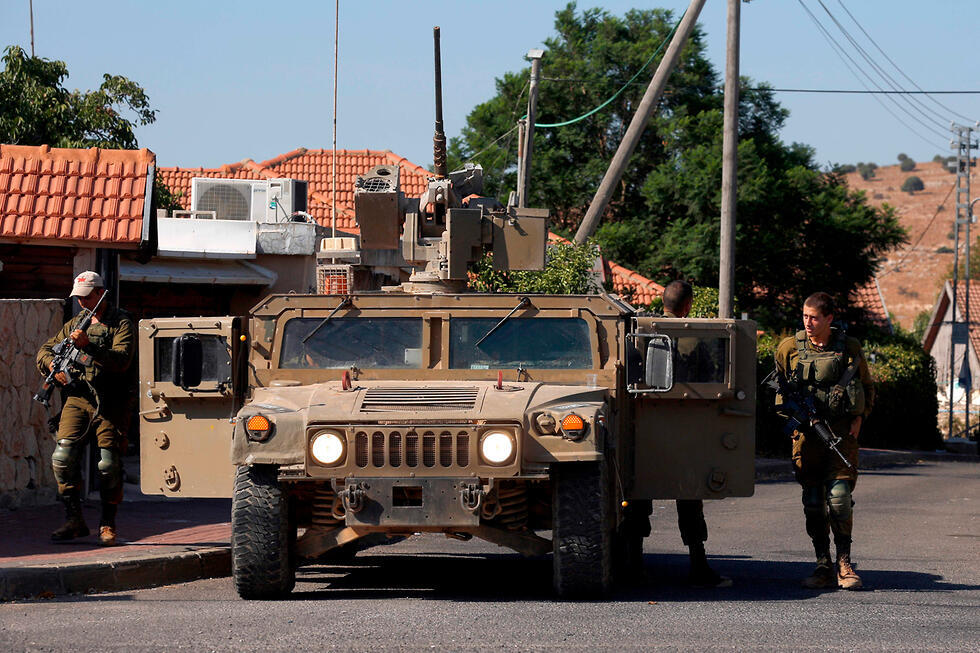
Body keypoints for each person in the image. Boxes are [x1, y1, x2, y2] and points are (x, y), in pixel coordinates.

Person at [774, 292, 874, 590]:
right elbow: (780, 387)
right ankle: (822, 564)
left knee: (840, 500)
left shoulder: (849, 348)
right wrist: (793, 418)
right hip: (806, 439)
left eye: (814, 317)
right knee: (814, 504)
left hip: (841, 437)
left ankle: (844, 562)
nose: (808, 322)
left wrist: (860, 418)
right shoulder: (789, 348)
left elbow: (867, 388)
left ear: (829, 318)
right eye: (804, 316)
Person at [36, 271, 136, 546]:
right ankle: (73, 519)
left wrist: (89, 347)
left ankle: (107, 522)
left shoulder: (121, 322)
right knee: (63, 457)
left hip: (110, 401)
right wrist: (52, 369)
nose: (81, 302)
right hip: (78, 398)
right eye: (78, 298)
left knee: (108, 464)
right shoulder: (76, 323)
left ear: (100, 294)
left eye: (86, 297)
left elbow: (121, 361)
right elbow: (45, 350)